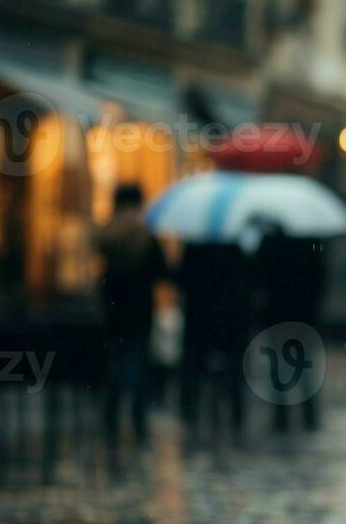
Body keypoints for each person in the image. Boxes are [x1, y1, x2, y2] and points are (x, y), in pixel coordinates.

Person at [95, 185, 168, 449]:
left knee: (114, 363)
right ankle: (138, 419)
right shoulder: (144, 234)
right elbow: (161, 270)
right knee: (138, 363)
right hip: (139, 309)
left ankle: (111, 417)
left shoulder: (107, 232)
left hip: (113, 310)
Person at [255, 220, 328, 431]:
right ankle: (308, 414)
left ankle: (282, 416)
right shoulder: (309, 245)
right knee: (304, 366)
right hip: (303, 317)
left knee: (279, 366)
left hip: (277, 316)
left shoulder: (269, 246)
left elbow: (259, 280)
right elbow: (318, 280)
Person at [176, 241, 254, 434]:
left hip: (200, 317)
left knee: (195, 368)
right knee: (233, 369)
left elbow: (182, 279)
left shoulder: (195, 246)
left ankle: (190, 413)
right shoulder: (236, 247)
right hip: (230, 319)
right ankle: (236, 414)